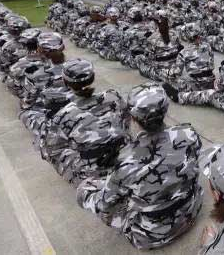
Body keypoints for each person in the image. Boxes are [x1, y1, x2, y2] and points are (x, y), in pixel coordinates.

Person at [77, 83, 203, 250]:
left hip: (151, 236)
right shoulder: (189, 134)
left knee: (86, 189)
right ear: (165, 109)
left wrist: (99, 186)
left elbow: (104, 204)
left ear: (133, 117)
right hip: (191, 211)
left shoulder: (126, 162)